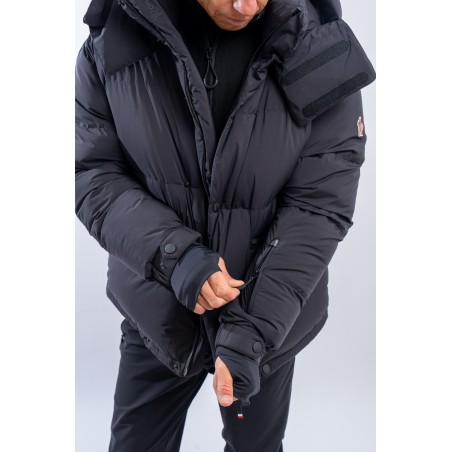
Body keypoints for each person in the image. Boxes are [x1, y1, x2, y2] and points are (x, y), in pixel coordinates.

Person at [75, 0, 375, 450]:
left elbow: (320, 202)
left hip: (268, 320)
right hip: (157, 311)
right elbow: (91, 172)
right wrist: (174, 257)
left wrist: (251, 332)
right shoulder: (113, 38)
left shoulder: (320, 46)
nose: (245, 6)